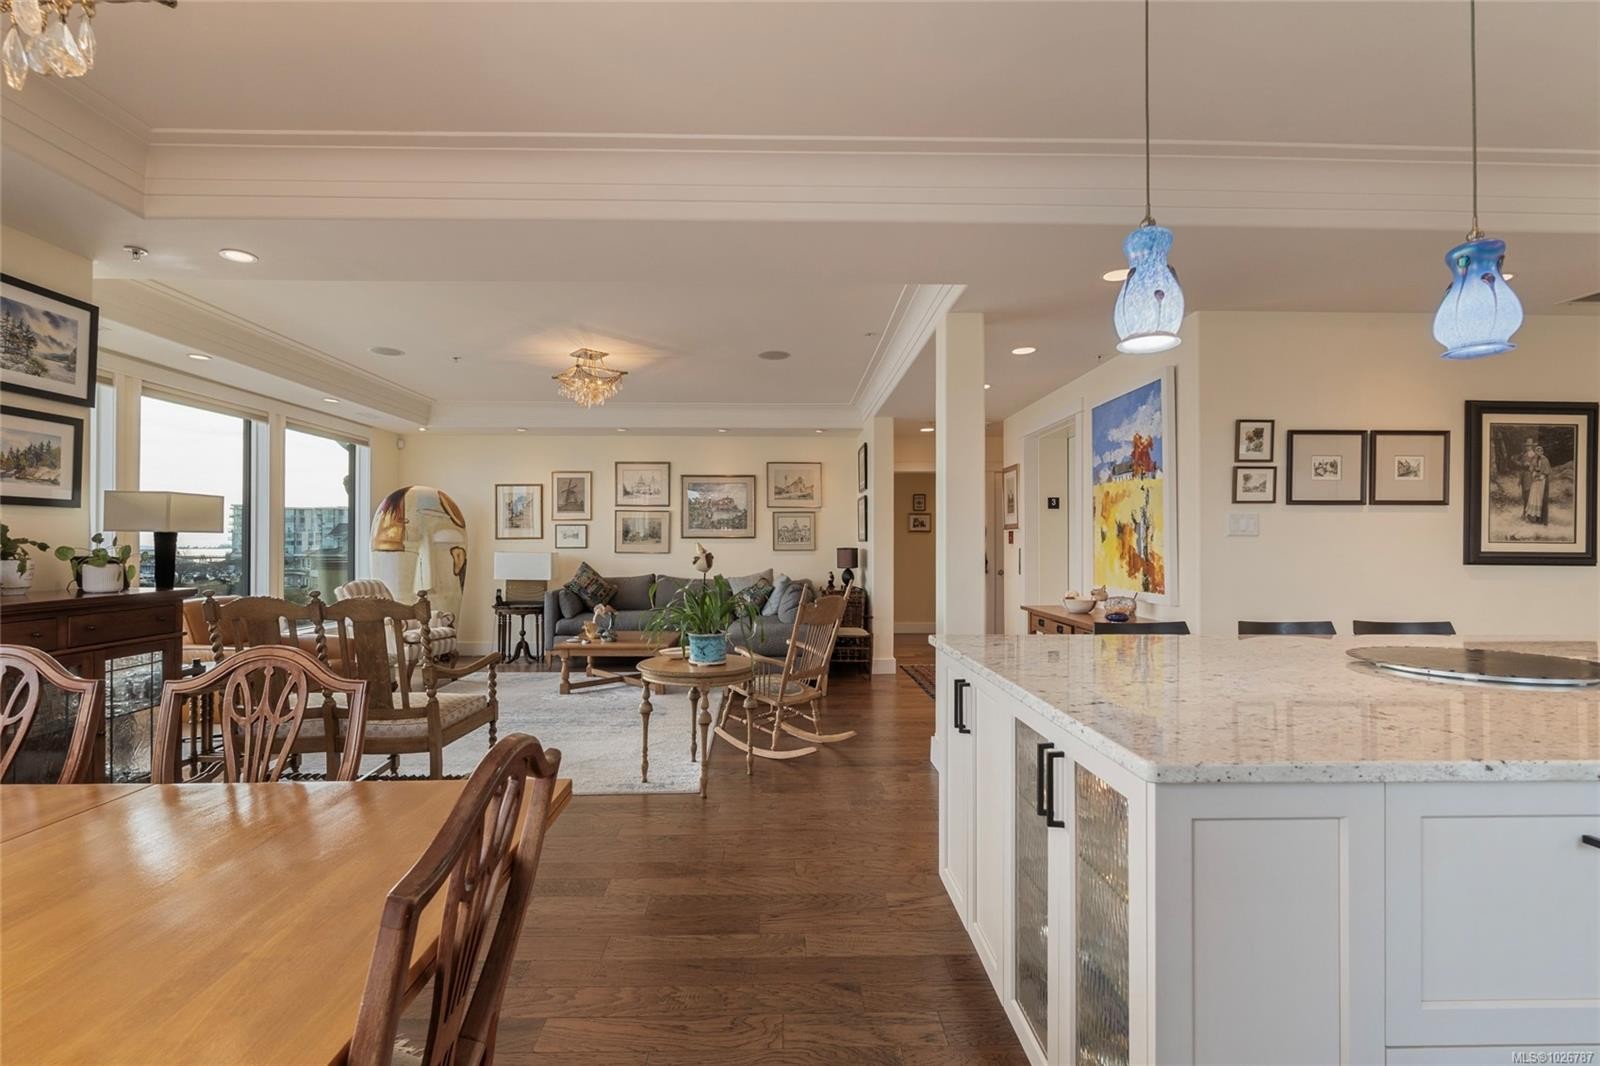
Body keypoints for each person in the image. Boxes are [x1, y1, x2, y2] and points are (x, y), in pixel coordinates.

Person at [1525, 443, 1552, 524]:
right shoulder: (1534, 459)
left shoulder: (1545, 460)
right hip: (1535, 481)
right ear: (1536, 452)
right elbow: (1531, 468)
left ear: (1542, 452)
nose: (1539, 453)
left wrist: (1542, 476)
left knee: (1540, 498)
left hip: (1542, 481)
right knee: (1533, 497)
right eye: (1537, 451)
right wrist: (1533, 473)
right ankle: (1533, 517)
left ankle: (1541, 518)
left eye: (1540, 451)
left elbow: (1547, 470)